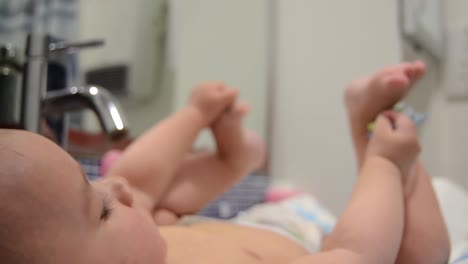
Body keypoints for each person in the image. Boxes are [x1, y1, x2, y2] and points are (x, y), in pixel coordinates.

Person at [0, 62, 450, 264]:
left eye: (88, 180)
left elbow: (132, 179)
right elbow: (355, 253)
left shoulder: (144, 238)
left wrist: (195, 114)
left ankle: (376, 129)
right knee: (424, 256)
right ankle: (371, 128)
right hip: (334, 251)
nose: (110, 187)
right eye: (99, 209)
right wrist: (384, 163)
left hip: (287, 231)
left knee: (165, 190)